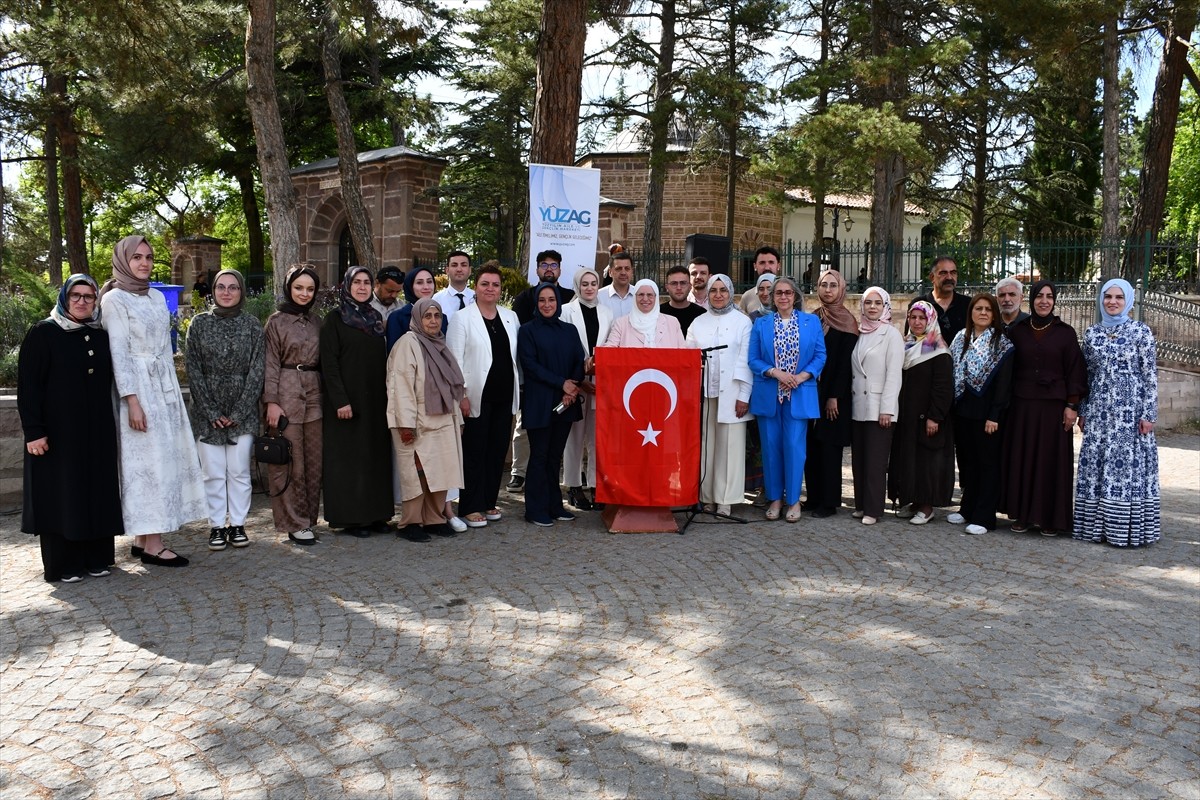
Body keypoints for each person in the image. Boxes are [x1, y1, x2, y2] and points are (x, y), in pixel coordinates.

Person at [100, 235, 205, 566]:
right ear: (123, 261)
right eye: (137, 258)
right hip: (137, 388)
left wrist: (172, 393)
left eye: (148, 257)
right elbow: (118, 352)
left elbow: (164, 346)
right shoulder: (114, 300)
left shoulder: (158, 297)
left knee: (165, 458)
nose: (144, 263)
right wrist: (132, 400)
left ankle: (144, 537)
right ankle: (153, 545)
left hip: (163, 385)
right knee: (147, 464)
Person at [19, 274, 123, 582]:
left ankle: (97, 558)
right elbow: (29, 387)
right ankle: (65, 563)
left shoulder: (99, 334)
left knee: (95, 491)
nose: (81, 301)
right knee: (63, 494)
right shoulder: (43, 333)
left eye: (88, 296)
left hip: (96, 431)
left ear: (95, 300)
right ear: (64, 298)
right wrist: (33, 430)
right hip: (57, 434)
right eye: (75, 295)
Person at [1074, 279, 1160, 547]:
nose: (1112, 302)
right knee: (1099, 468)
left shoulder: (1140, 332)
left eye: (1119, 297)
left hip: (1130, 414)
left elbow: (1150, 376)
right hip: (1099, 413)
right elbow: (1086, 376)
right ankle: (1096, 529)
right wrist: (1083, 411)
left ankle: (1124, 530)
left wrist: (1149, 413)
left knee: (1125, 470)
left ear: (1129, 301)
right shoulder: (1092, 334)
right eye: (1108, 297)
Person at [998, 280, 1087, 536]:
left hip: (1054, 408)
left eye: (1049, 296)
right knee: (1023, 459)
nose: (1044, 301)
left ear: (1054, 300)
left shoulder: (1065, 333)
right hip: (1022, 406)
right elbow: (1007, 369)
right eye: (1040, 296)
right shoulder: (1018, 331)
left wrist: (1072, 405)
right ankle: (1024, 515)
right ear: (1032, 299)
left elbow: (1075, 372)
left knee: (1050, 462)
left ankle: (1050, 518)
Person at [185, 269, 265, 551]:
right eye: (221, 287)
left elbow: (257, 369)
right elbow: (192, 370)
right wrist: (210, 411)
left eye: (233, 287)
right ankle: (217, 525)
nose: (227, 292)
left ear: (241, 291)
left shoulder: (252, 325)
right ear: (213, 291)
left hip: (242, 411)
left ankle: (239, 523)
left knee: (239, 471)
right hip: (208, 413)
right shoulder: (199, 324)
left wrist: (241, 411)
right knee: (213, 472)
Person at [320, 266, 394, 537]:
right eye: (357, 283)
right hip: (347, 402)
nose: (362, 287)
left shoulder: (375, 318)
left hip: (375, 400)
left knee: (375, 457)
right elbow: (328, 364)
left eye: (366, 283)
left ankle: (376, 515)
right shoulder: (334, 320)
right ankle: (352, 519)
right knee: (350, 461)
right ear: (347, 286)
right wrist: (340, 400)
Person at [447, 262, 521, 529]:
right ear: (475, 288)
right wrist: (462, 395)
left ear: (501, 290)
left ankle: (489, 501)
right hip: (475, 397)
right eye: (485, 284)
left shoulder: (510, 317)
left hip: (504, 396)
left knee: (497, 450)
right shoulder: (462, 318)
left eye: (495, 284)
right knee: (474, 452)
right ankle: (470, 506)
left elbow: (514, 358)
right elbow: (454, 361)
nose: (490, 288)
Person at [748, 276, 826, 522]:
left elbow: (820, 355)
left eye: (788, 293)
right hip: (770, 393)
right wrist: (776, 372)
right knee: (771, 449)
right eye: (778, 293)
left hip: (798, 394)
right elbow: (753, 359)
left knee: (794, 448)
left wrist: (801, 377)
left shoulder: (811, 322)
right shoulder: (761, 324)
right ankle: (775, 498)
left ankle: (793, 500)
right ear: (772, 298)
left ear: (796, 296)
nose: (783, 297)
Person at [387, 297, 466, 540]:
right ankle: (410, 523)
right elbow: (399, 387)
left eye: (437, 316)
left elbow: (451, 385)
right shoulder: (407, 344)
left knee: (441, 471)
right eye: (427, 316)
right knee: (417, 473)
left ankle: (434, 519)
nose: (433, 321)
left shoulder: (440, 344)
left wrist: (458, 421)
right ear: (417, 319)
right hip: (417, 421)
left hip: (443, 419)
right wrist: (405, 423)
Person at [263, 264, 324, 545]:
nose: (304, 293)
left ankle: (309, 518)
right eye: (299, 287)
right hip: (285, 392)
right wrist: (271, 402)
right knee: (291, 463)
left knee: (313, 462)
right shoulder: (275, 322)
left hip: (314, 393)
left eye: (310, 289)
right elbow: (270, 364)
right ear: (289, 288)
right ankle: (293, 522)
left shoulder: (316, 322)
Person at [517, 284, 586, 526]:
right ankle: (535, 509)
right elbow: (530, 365)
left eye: (551, 300)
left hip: (566, 402)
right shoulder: (527, 331)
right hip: (540, 401)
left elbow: (580, 359)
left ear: (558, 302)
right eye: (542, 300)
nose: (547, 304)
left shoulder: (569, 330)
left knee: (554, 456)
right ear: (536, 303)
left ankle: (554, 506)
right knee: (540, 455)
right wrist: (562, 384)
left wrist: (572, 386)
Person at [686, 274, 754, 516]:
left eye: (722, 290)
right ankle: (707, 496)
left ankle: (725, 499)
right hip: (705, 393)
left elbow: (747, 360)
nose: (717, 294)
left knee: (730, 446)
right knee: (707, 446)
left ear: (730, 292)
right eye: (713, 290)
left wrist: (744, 395)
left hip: (733, 393)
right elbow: (689, 358)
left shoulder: (743, 322)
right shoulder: (698, 322)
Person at [949, 293, 1014, 535]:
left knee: (987, 464)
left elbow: (1004, 384)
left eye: (988, 309)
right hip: (963, 410)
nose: (983, 312)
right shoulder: (960, 338)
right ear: (971, 312)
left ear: (994, 314)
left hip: (988, 414)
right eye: (978, 308)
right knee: (968, 463)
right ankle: (967, 509)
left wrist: (994, 415)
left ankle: (985, 517)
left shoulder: (1002, 343)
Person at [888, 300, 955, 525]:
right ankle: (913, 501)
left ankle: (926, 506)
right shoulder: (906, 344)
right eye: (913, 317)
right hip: (907, 416)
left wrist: (935, 416)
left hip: (928, 418)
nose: (917, 322)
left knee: (927, 462)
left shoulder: (937, 347)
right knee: (909, 460)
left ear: (930, 320)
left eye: (921, 318)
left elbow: (943, 386)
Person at [803, 269, 858, 518]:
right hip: (811, 390)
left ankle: (829, 502)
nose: (827, 290)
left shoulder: (847, 322)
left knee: (829, 448)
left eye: (833, 285)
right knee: (811, 446)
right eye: (823, 285)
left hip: (835, 395)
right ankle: (813, 497)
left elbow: (846, 364)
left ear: (841, 289)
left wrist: (834, 396)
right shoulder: (814, 318)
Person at [849, 286, 904, 526]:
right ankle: (861, 504)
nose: (872, 307)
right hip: (858, 405)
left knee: (875, 461)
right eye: (868, 302)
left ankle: (874, 508)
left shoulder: (891, 334)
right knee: (859, 459)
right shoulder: (858, 332)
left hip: (879, 407)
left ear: (885, 307)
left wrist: (887, 409)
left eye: (877, 303)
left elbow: (894, 375)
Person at [559, 267, 613, 511]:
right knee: (574, 438)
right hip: (576, 384)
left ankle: (594, 485)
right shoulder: (566, 311)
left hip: (600, 384)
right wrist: (579, 377)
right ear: (577, 286)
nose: (589, 288)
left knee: (596, 438)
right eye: (585, 284)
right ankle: (573, 485)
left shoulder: (607, 312)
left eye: (593, 283)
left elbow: (611, 347)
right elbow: (564, 348)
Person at [604, 280, 686, 348]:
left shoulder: (672, 322)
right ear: (635, 297)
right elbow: (609, 349)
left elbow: (684, 353)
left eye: (650, 295)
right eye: (641, 295)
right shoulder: (621, 323)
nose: (645, 299)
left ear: (656, 297)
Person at [386, 265, 444, 352]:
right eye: (419, 283)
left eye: (429, 282)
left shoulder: (442, 317)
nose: (426, 287)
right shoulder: (397, 318)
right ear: (410, 286)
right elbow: (394, 354)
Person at [914, 256, 970, 344]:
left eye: (953, 273)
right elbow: (911, 339)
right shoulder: (919, 305)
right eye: (943, 273)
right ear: (932, 277)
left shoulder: (968, 304)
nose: (949, 277)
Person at [513, 250, 575, 323]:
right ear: (537, 271)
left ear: (559, 271)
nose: (549, 269)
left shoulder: (571, 297)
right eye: (544, 265)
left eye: (554, 265)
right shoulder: (524, 297)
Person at [660, 265, 706, 336]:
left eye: (683, 283)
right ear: (667, 287)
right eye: (674, 283)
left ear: (690, 286)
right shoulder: (658, 313)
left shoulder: (701, 314)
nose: (679, 288)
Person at [433, 251, 475, 327]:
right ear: (447, 270)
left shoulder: (477, 298)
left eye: (463, 265)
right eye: (454, 265)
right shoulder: (437, 299)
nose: (459, 269)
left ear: (470, 270)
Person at [738, 246, 781, 315]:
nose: (767, 267)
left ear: (778, 265)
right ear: (755, 266)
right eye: (762, 263)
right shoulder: (747, 297)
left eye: (771, 262)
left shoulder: (790, 295)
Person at [599, 252, 636, 319]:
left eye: (627, 269)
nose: (623, 273)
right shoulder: (599, 297)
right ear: (610, 272)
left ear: (632, 272)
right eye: (618, 269)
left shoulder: (639, 295)